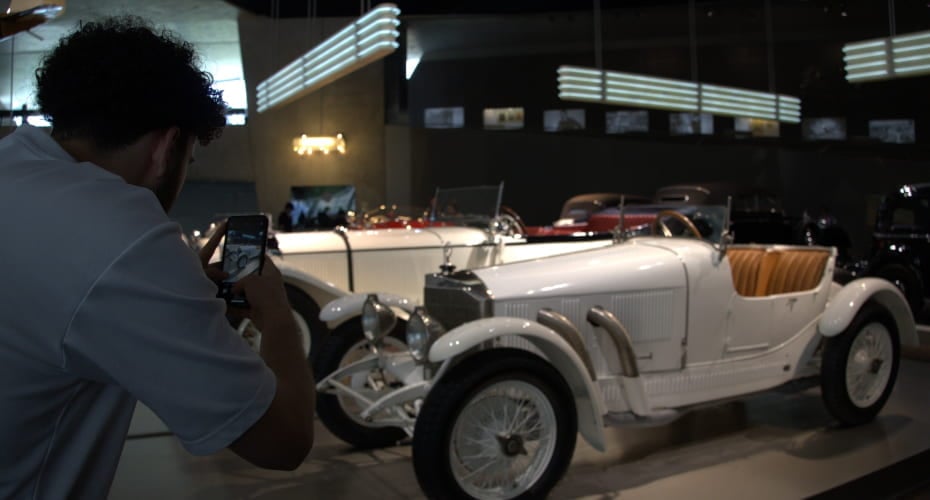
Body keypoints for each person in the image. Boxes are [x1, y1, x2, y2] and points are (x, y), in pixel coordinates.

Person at [0, 16, 315, 499]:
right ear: (168, 148)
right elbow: (284, 440)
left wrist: (185, 305)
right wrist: (276, 312)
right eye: (189, 161)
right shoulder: (124, 233)